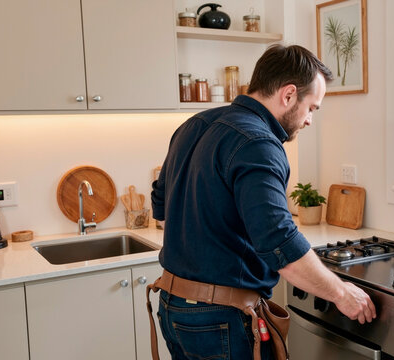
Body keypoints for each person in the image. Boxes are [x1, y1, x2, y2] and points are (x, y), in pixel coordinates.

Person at [151, 44, 376, 360]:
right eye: (311, 107)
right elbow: (278, 241)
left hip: (172, 307)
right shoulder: (258, 142)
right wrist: (340, 293)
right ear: (288, 95)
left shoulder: (193, 125)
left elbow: (160, 207)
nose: (310, 120)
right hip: (220, 320)